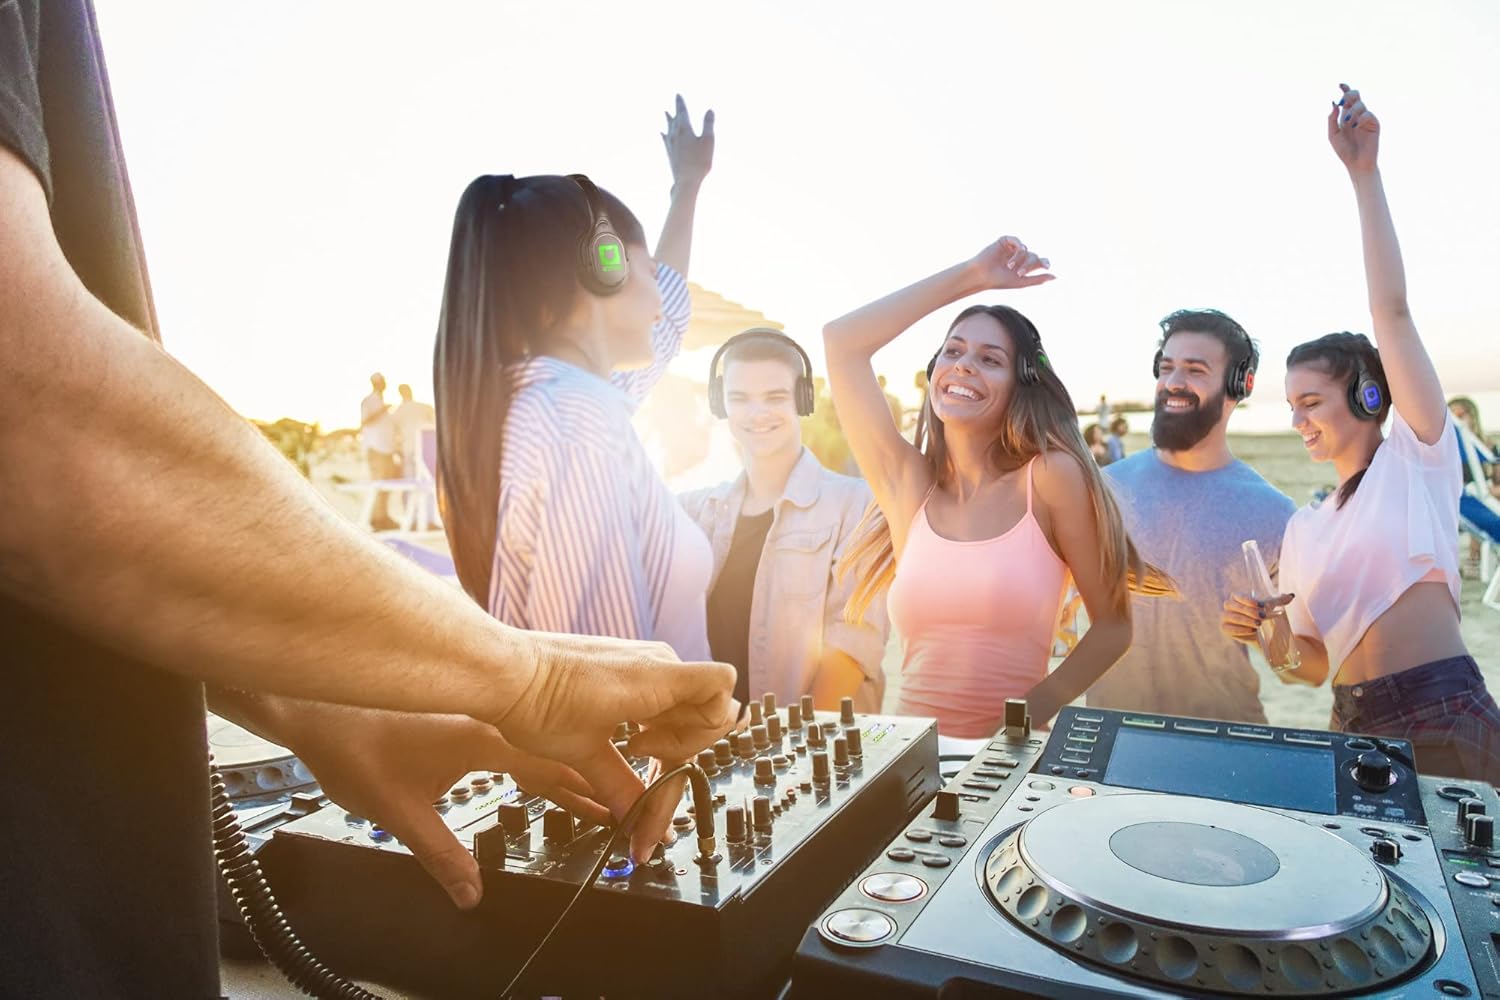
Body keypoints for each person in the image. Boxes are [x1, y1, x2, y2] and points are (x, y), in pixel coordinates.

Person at [0, 12, 734, 995]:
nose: (663, 282)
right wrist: (541, 689)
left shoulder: (564, 398)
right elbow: (36, 422)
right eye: (630, 254)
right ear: (593, 275)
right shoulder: (580, 419)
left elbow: (665, 312)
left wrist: (312, 708)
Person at [1222, 86, 1500, 781]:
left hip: (1443, 712)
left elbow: (1393, 314)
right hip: (1349, 730)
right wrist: (1271, 638)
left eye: (1312, 400)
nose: (1299, 420)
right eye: (1290, 405)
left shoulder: (1419, 459)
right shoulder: (1303, 529)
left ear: (1369, 394)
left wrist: (1363, 174)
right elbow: (1308, 667)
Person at [826, 235, 1171, 737]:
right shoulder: (910, 489)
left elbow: (1113, 628)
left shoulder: (1051, 478)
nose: (964, 365)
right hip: (905, 756)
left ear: (1019, 384)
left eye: (990, 359)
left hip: (1007, 764)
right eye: (953, 352)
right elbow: (841, 343)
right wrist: (971, 276)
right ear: (934, 374)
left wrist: (1019, 722)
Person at [434, 98, 717, 663]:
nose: (661, 296)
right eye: (643, 270)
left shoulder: (551, 402)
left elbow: (668, 317)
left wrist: (686, 186)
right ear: (605, 270)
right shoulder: (575, 418)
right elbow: (607, 680)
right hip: (642, 753)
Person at [1088, 309, 1295, 723]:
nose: (1174, 383)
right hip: (1108, 744)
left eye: (1195, 370)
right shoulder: (1100, 489)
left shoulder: (1276, 513)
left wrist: (1263, 633)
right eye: (1166, 368)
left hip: (1224, 747)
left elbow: (1294, 665)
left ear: (1239, 385)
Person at [680, 329, 891, 711]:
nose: (756, 413)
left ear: (803, 400)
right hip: (712, 746)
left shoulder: (856, 504)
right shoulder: (699, 511)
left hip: (804, 753)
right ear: (720, 403)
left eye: (774, 397)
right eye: (739, 398)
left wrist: (790, 748)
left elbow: (853, 643)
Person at [1449, 395, 1500, 569]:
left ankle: (1477, 558)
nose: (1457, 419)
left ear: (1472, 415)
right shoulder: (1450, 452)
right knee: (1476, 503)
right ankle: (1475, 558)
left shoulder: (1488, 447)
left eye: (1461, 414)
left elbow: (1497, 480)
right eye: (1452, 414)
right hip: (1466, 499)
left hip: (1486, 496)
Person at [360, 371, 401, 529]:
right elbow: (365, 421)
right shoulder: (369, 401)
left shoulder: (383, 403)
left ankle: (383, 517)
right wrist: (382, 411)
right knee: (378, 485)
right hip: (376, 449)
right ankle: (376, 520)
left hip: (388, 450)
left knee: (387, 485)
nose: (383, 384)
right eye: (381, 382)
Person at [393, 381, 437, 473]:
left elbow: (395, 432)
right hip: (425, 448)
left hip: (409, 448)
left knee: (410, 477)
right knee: (428, 476)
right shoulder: (424, 407)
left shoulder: (398, 411)